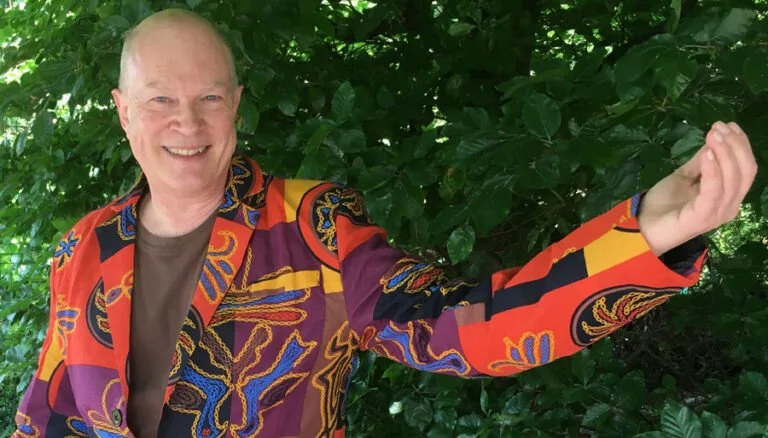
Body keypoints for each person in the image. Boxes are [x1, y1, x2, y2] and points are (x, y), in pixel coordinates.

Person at [12, 8, 757, 438]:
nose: (187, 123)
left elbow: (467, 330)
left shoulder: (313, 226)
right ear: (121, 109)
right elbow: (46, 409)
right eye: (160, 100)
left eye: (208, 98)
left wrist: (646, 235)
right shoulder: (84, 245)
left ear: (236, 104)